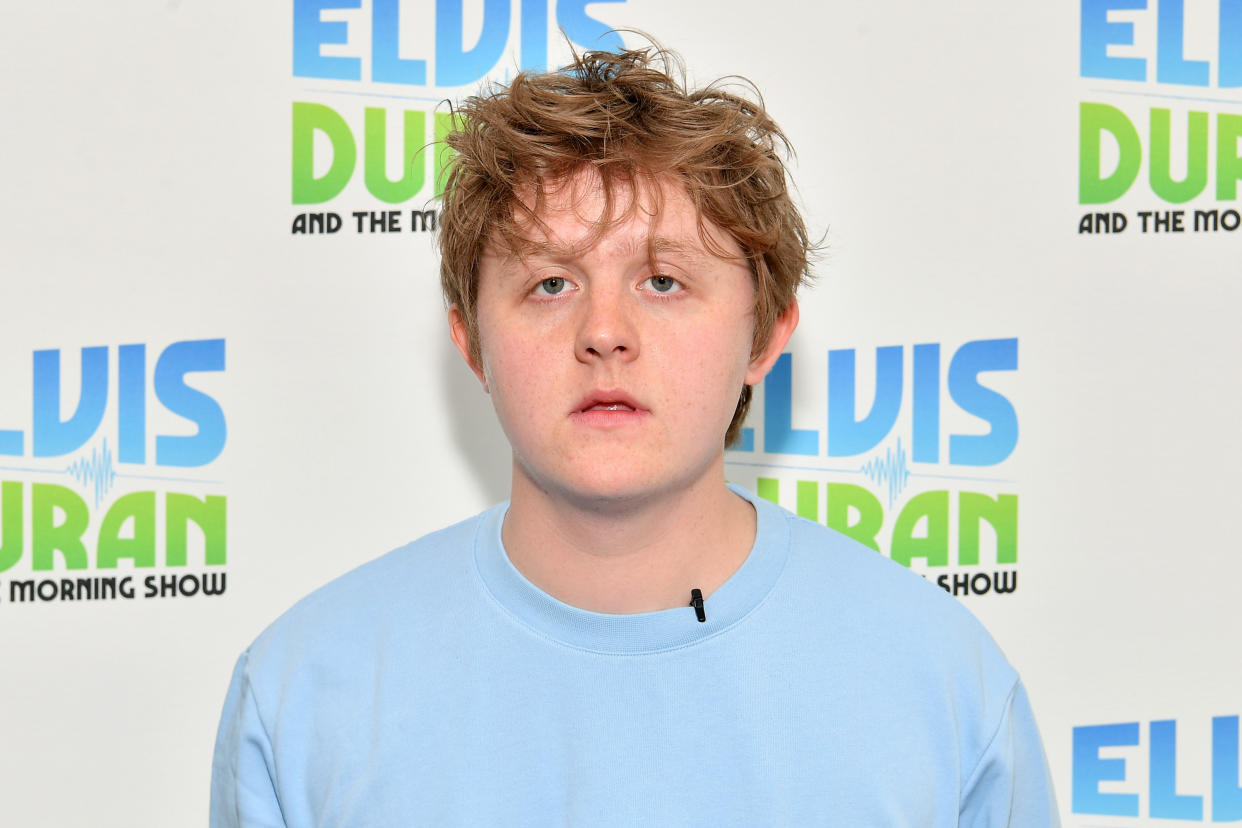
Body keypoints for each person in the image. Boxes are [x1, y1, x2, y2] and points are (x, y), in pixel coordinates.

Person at [210, 46, 1059, 826]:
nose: (604, 332)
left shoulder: (941, 687)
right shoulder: (303, 695)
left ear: (764, 335)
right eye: (548, 283)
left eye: (663, 280)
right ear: (471, 341)